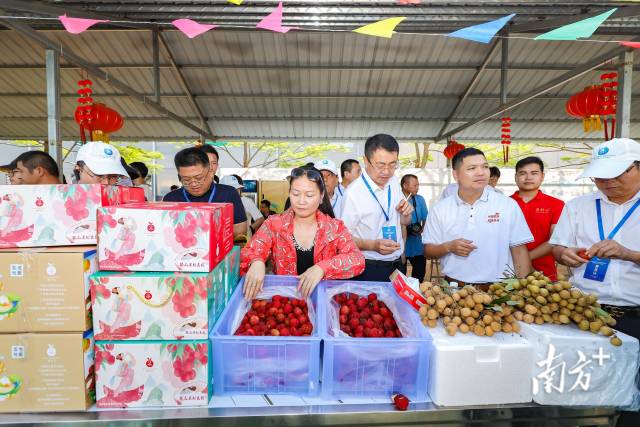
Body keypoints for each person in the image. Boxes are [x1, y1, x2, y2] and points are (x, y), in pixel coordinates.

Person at [551, 138, 640, 342]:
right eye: (599, 176)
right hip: (586, 312)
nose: (607, 181)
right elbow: (558, 247)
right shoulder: (577, 206)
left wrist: (629, 255)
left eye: (615, 173)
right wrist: (564, 254)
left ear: (636, 167)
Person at [241, 166, 365, 299]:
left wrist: (322, 268)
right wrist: (256, 262)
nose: (301, 201)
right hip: (286, 303)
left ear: (321, 196)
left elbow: (357, 260)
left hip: (323, 301)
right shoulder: (274, 224)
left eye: (309, 195)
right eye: (295, 194)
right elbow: (250, 251)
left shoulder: (334, 228)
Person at [423, 148, 533, 288]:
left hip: (501, 289)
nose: (481, 172)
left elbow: (519, 251)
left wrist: (523, 288)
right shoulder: (440, 209)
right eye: (472, 168)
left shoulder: (507, 205)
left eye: (485, 167)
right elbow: (428, 251)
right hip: (455, 289)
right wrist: (448, 247)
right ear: (456, 175)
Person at [341, 134, 414, 282]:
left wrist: (406, 213)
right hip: (369, 267)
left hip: (397, 265)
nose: (387, 171)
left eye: (393, 164)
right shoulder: (353, 194)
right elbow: (342, 239)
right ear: (366, 161)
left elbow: (405, 222)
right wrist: (372, 245)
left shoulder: (393, 182)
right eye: (380, 165)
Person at [163, 147, 247, 239]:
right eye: (186, 180)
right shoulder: (171, 199)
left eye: (199, 178)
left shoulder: (228, 193)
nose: (194, 184)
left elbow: (240, 231)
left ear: (210, 172)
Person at [511, 157, 565, 281]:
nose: (528, 177)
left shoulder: (556, 204)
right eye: (522, 173)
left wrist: (524, 258)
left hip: (544, 274)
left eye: (534, 173)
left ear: (542, 176)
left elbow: (555, 239)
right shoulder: (504, 204)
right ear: (515, 177)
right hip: (507, 272)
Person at [401, 174, 428, 282]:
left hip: (417, 242)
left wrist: (423, 230)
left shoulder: (420, 199)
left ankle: (416, 293)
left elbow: (426, 218)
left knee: (419, 273)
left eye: (418, 185)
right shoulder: (397, 199)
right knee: (400, 273)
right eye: (415, 185)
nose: (417, 188)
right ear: (404, 185)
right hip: (401, 244)